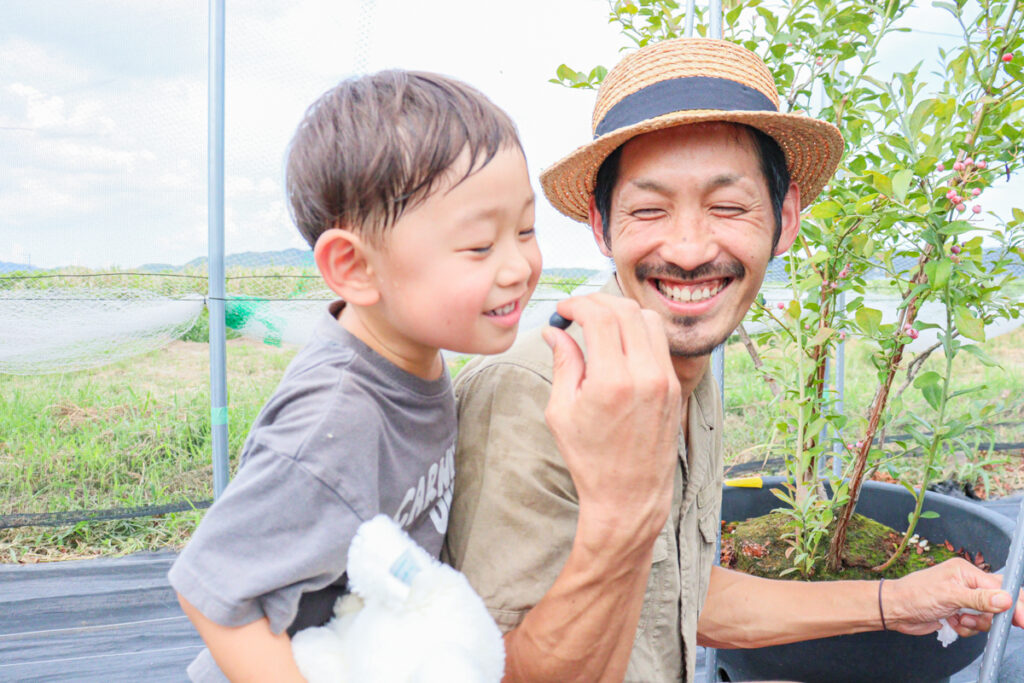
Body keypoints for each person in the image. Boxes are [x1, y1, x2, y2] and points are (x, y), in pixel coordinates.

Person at [443, 37, 1024, 682]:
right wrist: (623, 514)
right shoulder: (529, 392)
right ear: (602, 227)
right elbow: (493, 669)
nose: (690, 250)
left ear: (785, 219)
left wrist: (898, 601)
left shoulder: (689, 366)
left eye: (727, 207)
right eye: (648, 209)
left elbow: (683, 599)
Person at [169, 70, 541, 682]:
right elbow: (212, 589)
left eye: (525, 230)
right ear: (355, 267)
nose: (519, 266)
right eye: (479, 245)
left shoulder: (414, 354)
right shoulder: (336, 418)